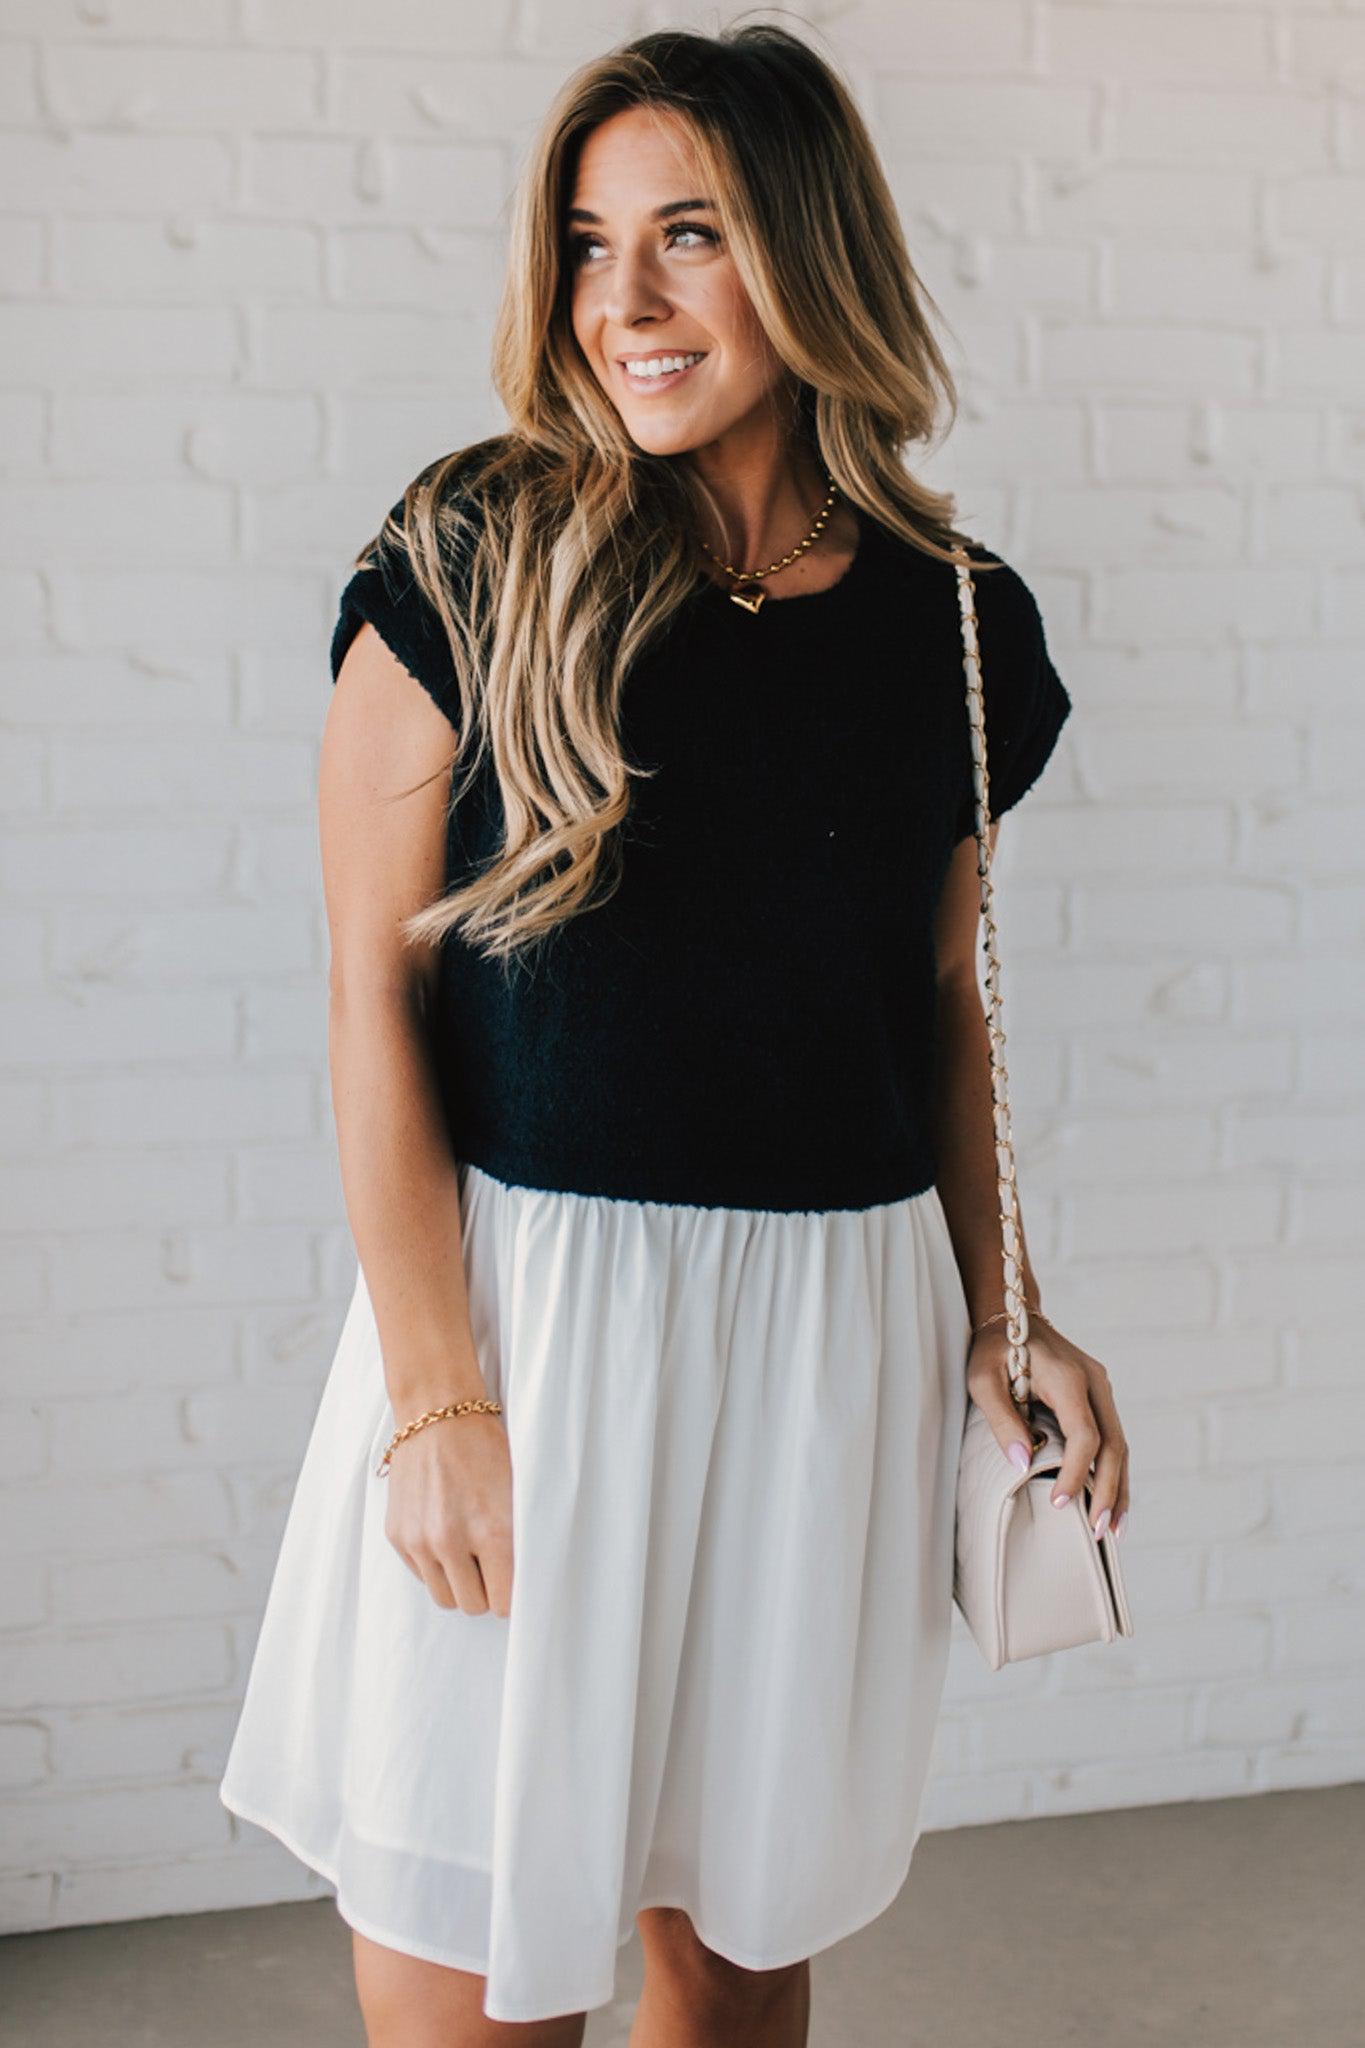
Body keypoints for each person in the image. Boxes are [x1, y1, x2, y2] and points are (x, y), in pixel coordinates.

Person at [218, 24, 1131, 2048]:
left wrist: (1007, 1314)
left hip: (821, 1344)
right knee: (468, 1963)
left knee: (728, 1955)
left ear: (807, 257)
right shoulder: (469, 557)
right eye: (583, 243)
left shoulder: (954, 622)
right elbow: (370, 995)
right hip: (524, 1340)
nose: (618, 305)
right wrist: (437, 1398)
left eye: (688, 238)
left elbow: (926, 1011)